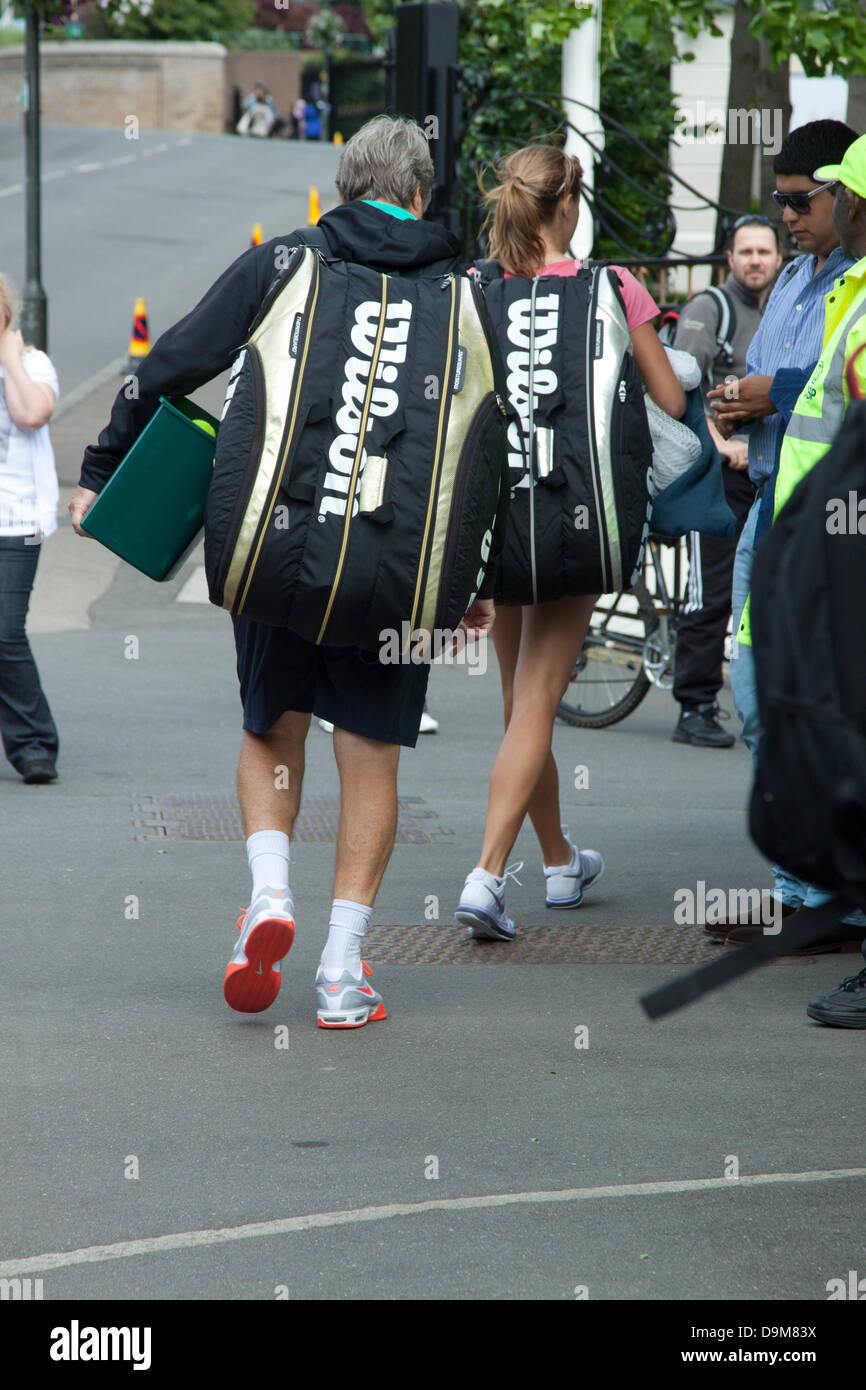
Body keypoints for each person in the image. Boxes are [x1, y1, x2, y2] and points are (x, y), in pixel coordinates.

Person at [68, 116, 490, 1028]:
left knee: (272, 731)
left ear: (346, 185)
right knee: (370, 753)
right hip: (397, 570)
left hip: (277, 550)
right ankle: (342, 971)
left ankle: (269, 897)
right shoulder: (463, 292)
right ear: (419, 197)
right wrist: (472, 579)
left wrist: (102, 470)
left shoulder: (285, 263)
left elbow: (171, 362)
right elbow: (488, 448)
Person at [453, 145, 685, 942]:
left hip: (495, 523)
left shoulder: (476, 289)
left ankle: (558, 861)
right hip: (574, 516)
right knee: (537, 707)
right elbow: (671, 396)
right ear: (568, 205)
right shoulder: (610, 285)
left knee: (523, 707)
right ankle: (486, 876)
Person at [708, 121, 866, 952]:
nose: (788, 217)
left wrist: (773, 390)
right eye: (780, 201)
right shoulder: (799, 276)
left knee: (814, 710)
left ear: (844, 195)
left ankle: (834, 902)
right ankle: (805, 894)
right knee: (759, 695)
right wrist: (738, 399)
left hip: (828, 533)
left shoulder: (856, 279)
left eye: (802, 201)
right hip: (772, 514)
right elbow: (772, 377)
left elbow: (839, 390)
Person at [670, 217, 782, 748]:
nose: (756, 260)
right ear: (729, 258)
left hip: (762, 474)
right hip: (710, 475)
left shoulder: (785, 306)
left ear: (778, 257)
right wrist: (723, 448)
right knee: (709, 594)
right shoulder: (708, 308)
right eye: (746, 251)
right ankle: (693, 705)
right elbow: (677, 398)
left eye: (764, 251)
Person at [0, 273, 60, 786]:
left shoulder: (33, 364)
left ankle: (34, 744)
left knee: (4, 630)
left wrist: (9, 357)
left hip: (16, 524)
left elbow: (31, 413)